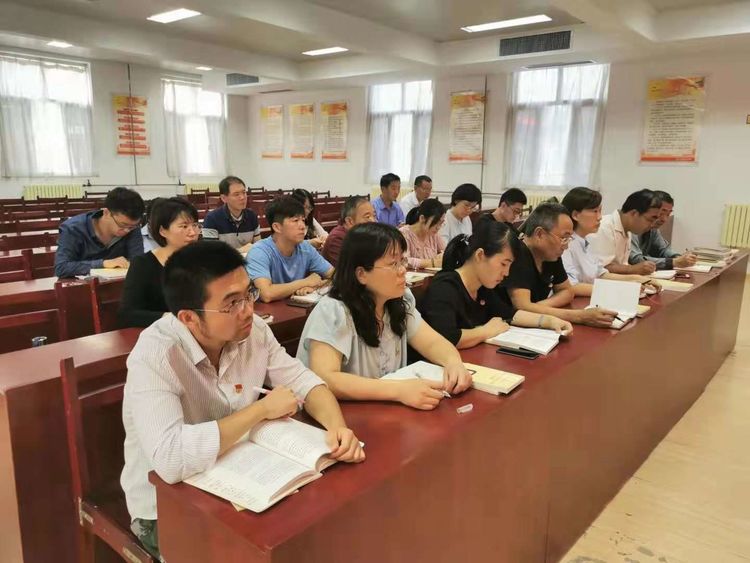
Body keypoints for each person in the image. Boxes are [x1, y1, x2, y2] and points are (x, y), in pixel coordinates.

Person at [121, 241, 364, 560]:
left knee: (324, 531)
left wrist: (337, 428)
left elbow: (304, 381)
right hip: (164, 506)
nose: (248, 310)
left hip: (241, 479)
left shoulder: (254, 331)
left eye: (248, 293)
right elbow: (171, 458)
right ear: (189, 318)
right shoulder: (155, 354)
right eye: (231, 303)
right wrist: (261, 410)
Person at [296, 223, 472, 410]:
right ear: (361, 274)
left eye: (403, 261)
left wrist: (454, 363)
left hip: (385, 408)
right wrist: (398, 390)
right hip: (342, 413)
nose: (403, 270)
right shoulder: (333, 311)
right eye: (393, 264)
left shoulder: (399, 300)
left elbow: (432, 342)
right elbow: (326, 378)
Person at [420, 220, 572, 349]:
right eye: (503, 264)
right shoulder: (444, 287)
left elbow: (509, 314)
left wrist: (549, 321)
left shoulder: (483, 287)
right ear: (480, 255)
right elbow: (446, 337)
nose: (506, 273)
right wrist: (485, 331)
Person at [503, 203, 617, 328]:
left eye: (569, 239)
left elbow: (567, 291)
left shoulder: (551, 255)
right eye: (564, 238)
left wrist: (537, 307)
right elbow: (522, 307)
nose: (566, 246)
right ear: (540, 234)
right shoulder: (517, 254)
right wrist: (579, 316)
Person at [118, 197, 201, 328]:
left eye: (195, 225)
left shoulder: (204, 260)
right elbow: (127, 314)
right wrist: (171, 318)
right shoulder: (143, 264)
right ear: (163, 231)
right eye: (184, 226)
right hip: (163, 332)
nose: (192, 233)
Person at [561, 187, 660, 297]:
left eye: (600, 211)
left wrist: (638, 279)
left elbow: (601, 274)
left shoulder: (585, 240)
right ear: (576, 215)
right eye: (595, 211)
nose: (599, 217)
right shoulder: (565, 245)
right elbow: (571, 286)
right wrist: (620, 289)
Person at [246, 196, 334, 303]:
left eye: (303, 220)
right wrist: (305, 282)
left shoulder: (305, 248)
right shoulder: (260, 251)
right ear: (277, 227)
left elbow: (335, 275)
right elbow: (266, 294)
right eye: (295, 220)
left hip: (295, 309)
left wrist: (316, 286)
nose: (302, 226)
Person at [54, 186, 145, 278]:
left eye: (131, 227)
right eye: (122, 225)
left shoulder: (132, 227)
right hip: (81, 284)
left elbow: (138, 262)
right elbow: (61, 267)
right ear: (106, 213)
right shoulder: (73, 229)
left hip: (118, 283)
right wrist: (103, 263)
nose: (127, 230)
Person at [588, 189, 662, 275]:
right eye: (650, 220)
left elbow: (622, 265)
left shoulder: (627, 229)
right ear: (634, 213)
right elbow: (600, 269)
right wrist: (633, 269)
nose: (652, 225)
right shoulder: (604, 227)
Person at [630, 190, 697, 270]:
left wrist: (679, 257)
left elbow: (663, 250)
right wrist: (674, 262)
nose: (664, 219)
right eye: (661, 213)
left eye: (668, 214)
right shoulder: (631, 226)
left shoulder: (653, 228)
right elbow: (635, 260)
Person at [202, 176, 260, 252]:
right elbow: (211, 253)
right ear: (224, 198)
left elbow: (258, 246)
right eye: (236, 194)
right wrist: (239, 251)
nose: (242, 197)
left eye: (244, 192)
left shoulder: (252, 216)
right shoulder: (211, 218)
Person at [321, 196, 376, 266]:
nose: (373, 221)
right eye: (367, 217)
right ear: (350, 221)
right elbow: (347, 270)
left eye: (374, 216)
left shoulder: (365, 235)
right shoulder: (337, 239)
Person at [399, 198, 446, 269]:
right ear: (422, 218)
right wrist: (433, 262)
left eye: (441, 223)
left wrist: (443, 256)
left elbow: (446, 253)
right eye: (436, 222)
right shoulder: (403, 233)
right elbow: (404, 261)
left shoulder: (434, 234)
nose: (438, 227)